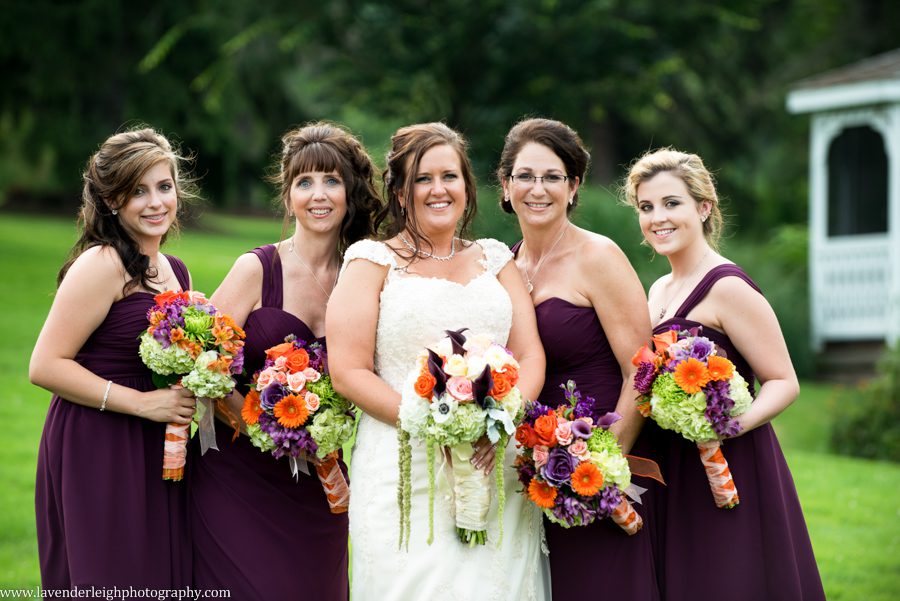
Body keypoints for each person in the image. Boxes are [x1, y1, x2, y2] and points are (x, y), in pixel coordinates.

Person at [327, 122, 549, 601]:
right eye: (422, 179)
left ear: (467, 187)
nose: (437, 189)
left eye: (449, 176)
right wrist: (428, 424)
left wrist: (501, 422)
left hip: (495, 461)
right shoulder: (371, 262)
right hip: (401, 464)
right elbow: (347, 371)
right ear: (402, 195)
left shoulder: (495, 261)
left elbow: (530, 354)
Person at [188, 122, 381, 600]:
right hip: (235, 479)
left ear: (350, 191)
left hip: (318, 488)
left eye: (332, 181)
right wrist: (268, 428)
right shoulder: (256, 268)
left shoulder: (366, 277)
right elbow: (203, 369)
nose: (319, 195)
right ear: (288, 192)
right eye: (305, 182)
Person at [624, 148, 826, 600]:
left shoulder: (727, 286)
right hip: (674, 469)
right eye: (646, 207)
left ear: (703, 207)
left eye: (671, 203)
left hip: (730, 466)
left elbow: (783, 381)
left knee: (726, 579)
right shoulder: (658, 289)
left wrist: (726, 425)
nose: (658, 217)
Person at [498, 117, 661, 599]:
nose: (538, 189)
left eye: (553, 177)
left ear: (573, 187)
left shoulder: (598, 256)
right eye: (525, 176)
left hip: (597, 473)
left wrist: (603, 469)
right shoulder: (503, 265)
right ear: (505, 186)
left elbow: (642, 368)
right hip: (529, 476)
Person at [30, 127, 197, 587]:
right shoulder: (101, 265)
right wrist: (144, 404)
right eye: (137, 191)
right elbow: (45, 365)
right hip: (98, 442)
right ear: (111, 201)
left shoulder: (174, 270)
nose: (156, 202)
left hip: (157, 445)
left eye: (164, 187)